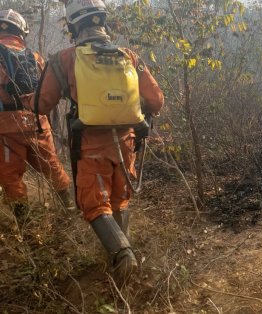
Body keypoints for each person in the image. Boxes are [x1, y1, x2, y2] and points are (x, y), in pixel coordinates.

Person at [33, 0, 164, 286]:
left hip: (90, 145)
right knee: (120, 199)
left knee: (94, 204)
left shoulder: (64, 59)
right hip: (127, 142)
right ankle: (120, 265)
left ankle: (123, 255)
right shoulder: (129, 56)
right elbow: (157, 100)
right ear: (103, 21)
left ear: (73, 26)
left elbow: (42, 105)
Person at [0, 9, 73, 224]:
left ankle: (25, 228)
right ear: (21, 32)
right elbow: (49, 93)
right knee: (52, 168)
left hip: (6, 127)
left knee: (11, 177)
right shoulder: (35, 57)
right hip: (38, 123)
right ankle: (69, 212)